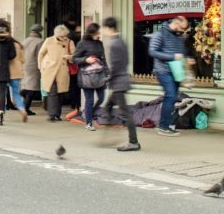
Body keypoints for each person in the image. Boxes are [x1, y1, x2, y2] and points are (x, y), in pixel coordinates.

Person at [101, 17, 140, 152]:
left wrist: (108, 78)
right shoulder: (121, 41)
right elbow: (126, 61)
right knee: (108, 106)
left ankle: (133, 142)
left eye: (104, 28)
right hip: (120, 80)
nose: (102, 31)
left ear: (109, 29)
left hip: (118, 82)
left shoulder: (114, 44)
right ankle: (109, 135)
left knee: (125, 114)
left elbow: (116, 66)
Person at [148, 15, 190, 137]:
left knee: (174, 97)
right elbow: (152, 51)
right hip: (163, 70)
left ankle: (169, 125)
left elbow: (182, 53)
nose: (183, 31)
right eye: (182, 28)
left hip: (177, 70)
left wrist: (187, 59)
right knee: (170, 95)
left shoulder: (179, 36)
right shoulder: (159, 34)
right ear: (176, 23)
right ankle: (163, 127)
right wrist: (172, 57)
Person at [74, 22, 107, 131]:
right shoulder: (82, 44)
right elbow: (75, 59)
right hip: (87, 76)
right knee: (90, 100)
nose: (99, 35)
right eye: (97, 33)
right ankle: (88, 122)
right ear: (91, 33)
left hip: (99, 74)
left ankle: (89, 113)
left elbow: (103, 59)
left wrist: (107, 73)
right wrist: (86, 60)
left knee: (102, 98)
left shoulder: (99, 43)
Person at [38, 24, 74, 122]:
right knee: (52, 92)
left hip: (62, 70)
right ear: (57, 35)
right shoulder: (49, 41)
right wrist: (41, 66)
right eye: (62, 36)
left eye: (66, 35)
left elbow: (74, 56)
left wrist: (70, 57)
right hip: (49, 69)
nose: (64, 37)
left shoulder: (69, 42)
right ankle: (53, 114)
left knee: (60, 93)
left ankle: (57, 114)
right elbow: (41, 53)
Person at [2, 22, 28, 122]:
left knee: (2, 94)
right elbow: (23, 60)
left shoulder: (4, 45)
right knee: (16, 93)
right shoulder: (18, 45)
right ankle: (22, 109)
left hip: (4, 72)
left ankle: (1, 113)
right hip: (17, 72)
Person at [21, 25, 45, 115]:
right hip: (34, 66)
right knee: (33, 88)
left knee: (28, 86)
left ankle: (23, 102)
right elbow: (41, 55)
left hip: (24, 65)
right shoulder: (40, 42)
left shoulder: (25, 40)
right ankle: (25, 108)